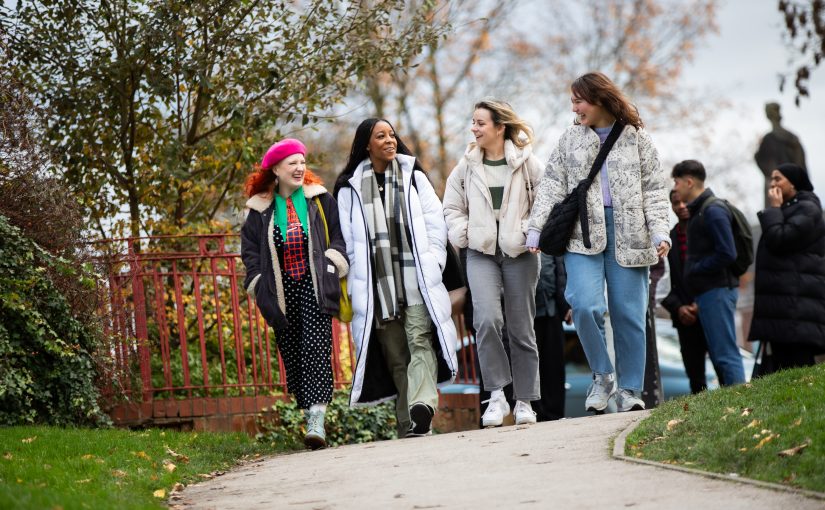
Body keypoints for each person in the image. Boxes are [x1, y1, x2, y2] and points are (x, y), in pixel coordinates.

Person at [526, 72, 671, 414]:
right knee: (585, 305)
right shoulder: (568, 140)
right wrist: (535, 229)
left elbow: (654, 190)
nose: (574, 108)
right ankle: (603, 376)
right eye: (572, 102)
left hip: (631, 235)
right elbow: (551, 186)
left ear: (599, 98)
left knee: (629, 314)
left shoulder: (638, 139)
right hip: (582, 235)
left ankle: (631, 390)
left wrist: (659, 232)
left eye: (579, 100)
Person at [334, 118, 457, 438]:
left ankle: (423, 407)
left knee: (419, 341)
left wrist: (433, 261)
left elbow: (435, 223)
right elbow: (346, 239)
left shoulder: (413, 175)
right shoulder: (349, 188)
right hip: (377, 287)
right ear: (366, 145)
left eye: (391, 135)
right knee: (396, 356)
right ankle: (410, 425)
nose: (390, 140)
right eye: (381, 136)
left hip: (416, 279)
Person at [240, 138, 349, 450]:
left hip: (315, 286)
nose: (300, 168)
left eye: (302, 162)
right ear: (276, 169)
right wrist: (258, 284)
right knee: (294, 355)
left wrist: (332, 265)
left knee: (316, 349)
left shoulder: (319, 199)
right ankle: (309, 408)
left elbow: (340, 236)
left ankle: (317, 418)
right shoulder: (258, 210)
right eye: (293, 163)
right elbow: (249, 253)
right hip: (279, 292)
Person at [443, 99, 543, 427]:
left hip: (521, 254)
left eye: (480, 123)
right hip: (480, 253)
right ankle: (497, 396)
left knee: (521, 328)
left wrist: (531, 231)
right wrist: (465, 233)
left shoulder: (529, 164)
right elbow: (452, 208)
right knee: (485, 320)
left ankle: (525, 401)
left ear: (500, 127)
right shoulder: (466, 166)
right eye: (473, 122)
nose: (474, 128)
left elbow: (545, 204)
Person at [671, 159, 746, 386]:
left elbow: (727, 252)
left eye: (676, 182)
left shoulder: (712, 210)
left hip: (718, 290)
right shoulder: (699, 212)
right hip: (709, 292)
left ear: (689, 182)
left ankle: (741, 405)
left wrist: (695, 269)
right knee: (721, 354)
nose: (675, 188)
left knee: (725, 355)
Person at [748, 163, 825, 373]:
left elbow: (779, 239)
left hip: (797, 304)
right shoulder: (789, 209)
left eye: (778, 179)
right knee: (783, 366)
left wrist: (773, 210)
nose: (772, 184)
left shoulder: (808, 209)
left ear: (794, 183)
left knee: (798, 366)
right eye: (771, 179)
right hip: (784, 303)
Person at [661, 189, 714, 393]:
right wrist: (679, 307)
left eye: (685, 201)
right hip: (684, 317)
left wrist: (701, 303)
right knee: (695, 375)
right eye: (676, 203)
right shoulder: (668, 241)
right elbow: (659, 281)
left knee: (722, 363)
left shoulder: (707, 231)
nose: (681, 206)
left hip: (710, 307)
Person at [533, 253, 572, 421]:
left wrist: (566, 304)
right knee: (532, 368)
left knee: (554, 367)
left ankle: (555, 416)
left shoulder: (547, 231)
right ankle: (535, 414)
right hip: (527, 315)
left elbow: (560, 270)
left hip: (552, 309)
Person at [754, 102, 807, 208]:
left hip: (779, 194)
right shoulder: (792, 138)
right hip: (793, 190)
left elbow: (762, 162)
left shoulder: (768, 140)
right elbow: (801, 166)